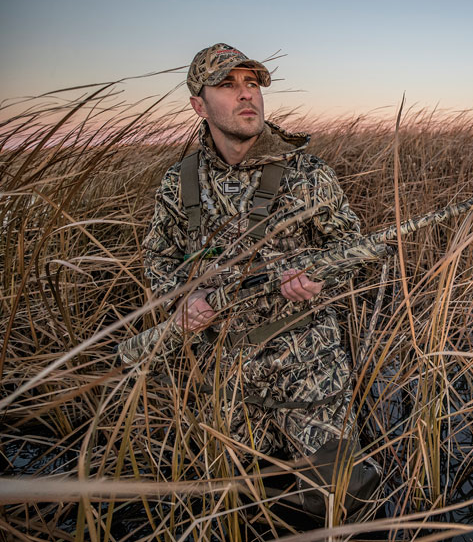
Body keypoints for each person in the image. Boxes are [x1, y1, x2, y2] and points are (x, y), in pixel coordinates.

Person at [142, 43, 379, 521]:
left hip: (307, 361)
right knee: (241, 503)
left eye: (252, 83)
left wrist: (315, 275)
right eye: (228, 84)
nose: (246, 94)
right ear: (198, 105)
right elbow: (159, 259)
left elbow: (359, 251)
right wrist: (183, 301)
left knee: (340, 494)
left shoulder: (308, 174)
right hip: (220, 370)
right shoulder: (179, 182)